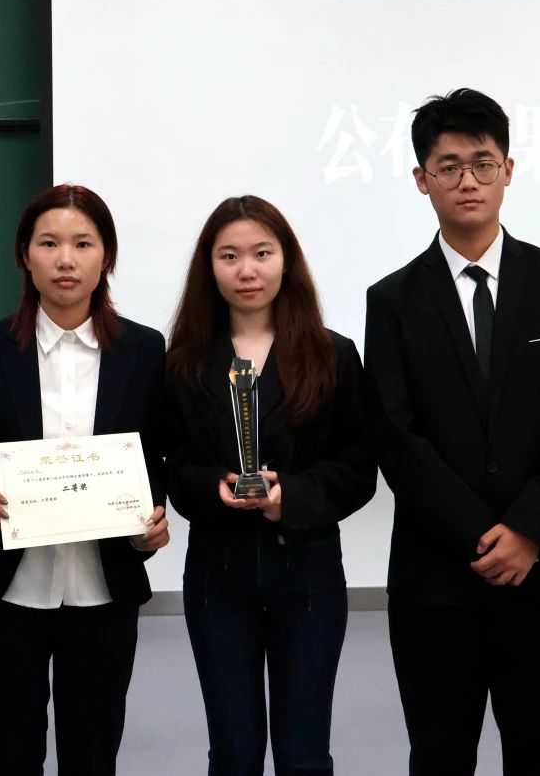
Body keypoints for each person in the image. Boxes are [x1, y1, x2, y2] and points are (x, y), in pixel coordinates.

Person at [365, 88, 540, 775]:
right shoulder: (392, 300)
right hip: (438, 579)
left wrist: (527, 529)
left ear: (509, 170)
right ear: (422, 179)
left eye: (482, 163)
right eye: (448, 167)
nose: (467, 180)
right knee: (440, 756)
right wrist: (482, 533)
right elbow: (396, 436)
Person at [0, 183, 170, 775]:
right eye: (48, 243)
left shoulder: (144, 349)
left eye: (83, 244)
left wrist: (151, 519)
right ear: (25, 254)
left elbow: (155, 457)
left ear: (107, 256)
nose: (65, 259)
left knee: (93, 753)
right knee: (10, 752)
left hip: (104, 585)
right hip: (8, 588)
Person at [165, 195, 376, 775]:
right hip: (218, 577)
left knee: (304, 752)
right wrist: (214, 486)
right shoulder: (184, 360)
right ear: (209, 266)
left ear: (287, 260)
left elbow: (359, 465)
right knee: (233, 752)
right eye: (229, 256)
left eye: (262, 253)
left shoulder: (332, 354)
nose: (247, 270)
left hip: (308, 574)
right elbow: (173, 465)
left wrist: (292, 499)